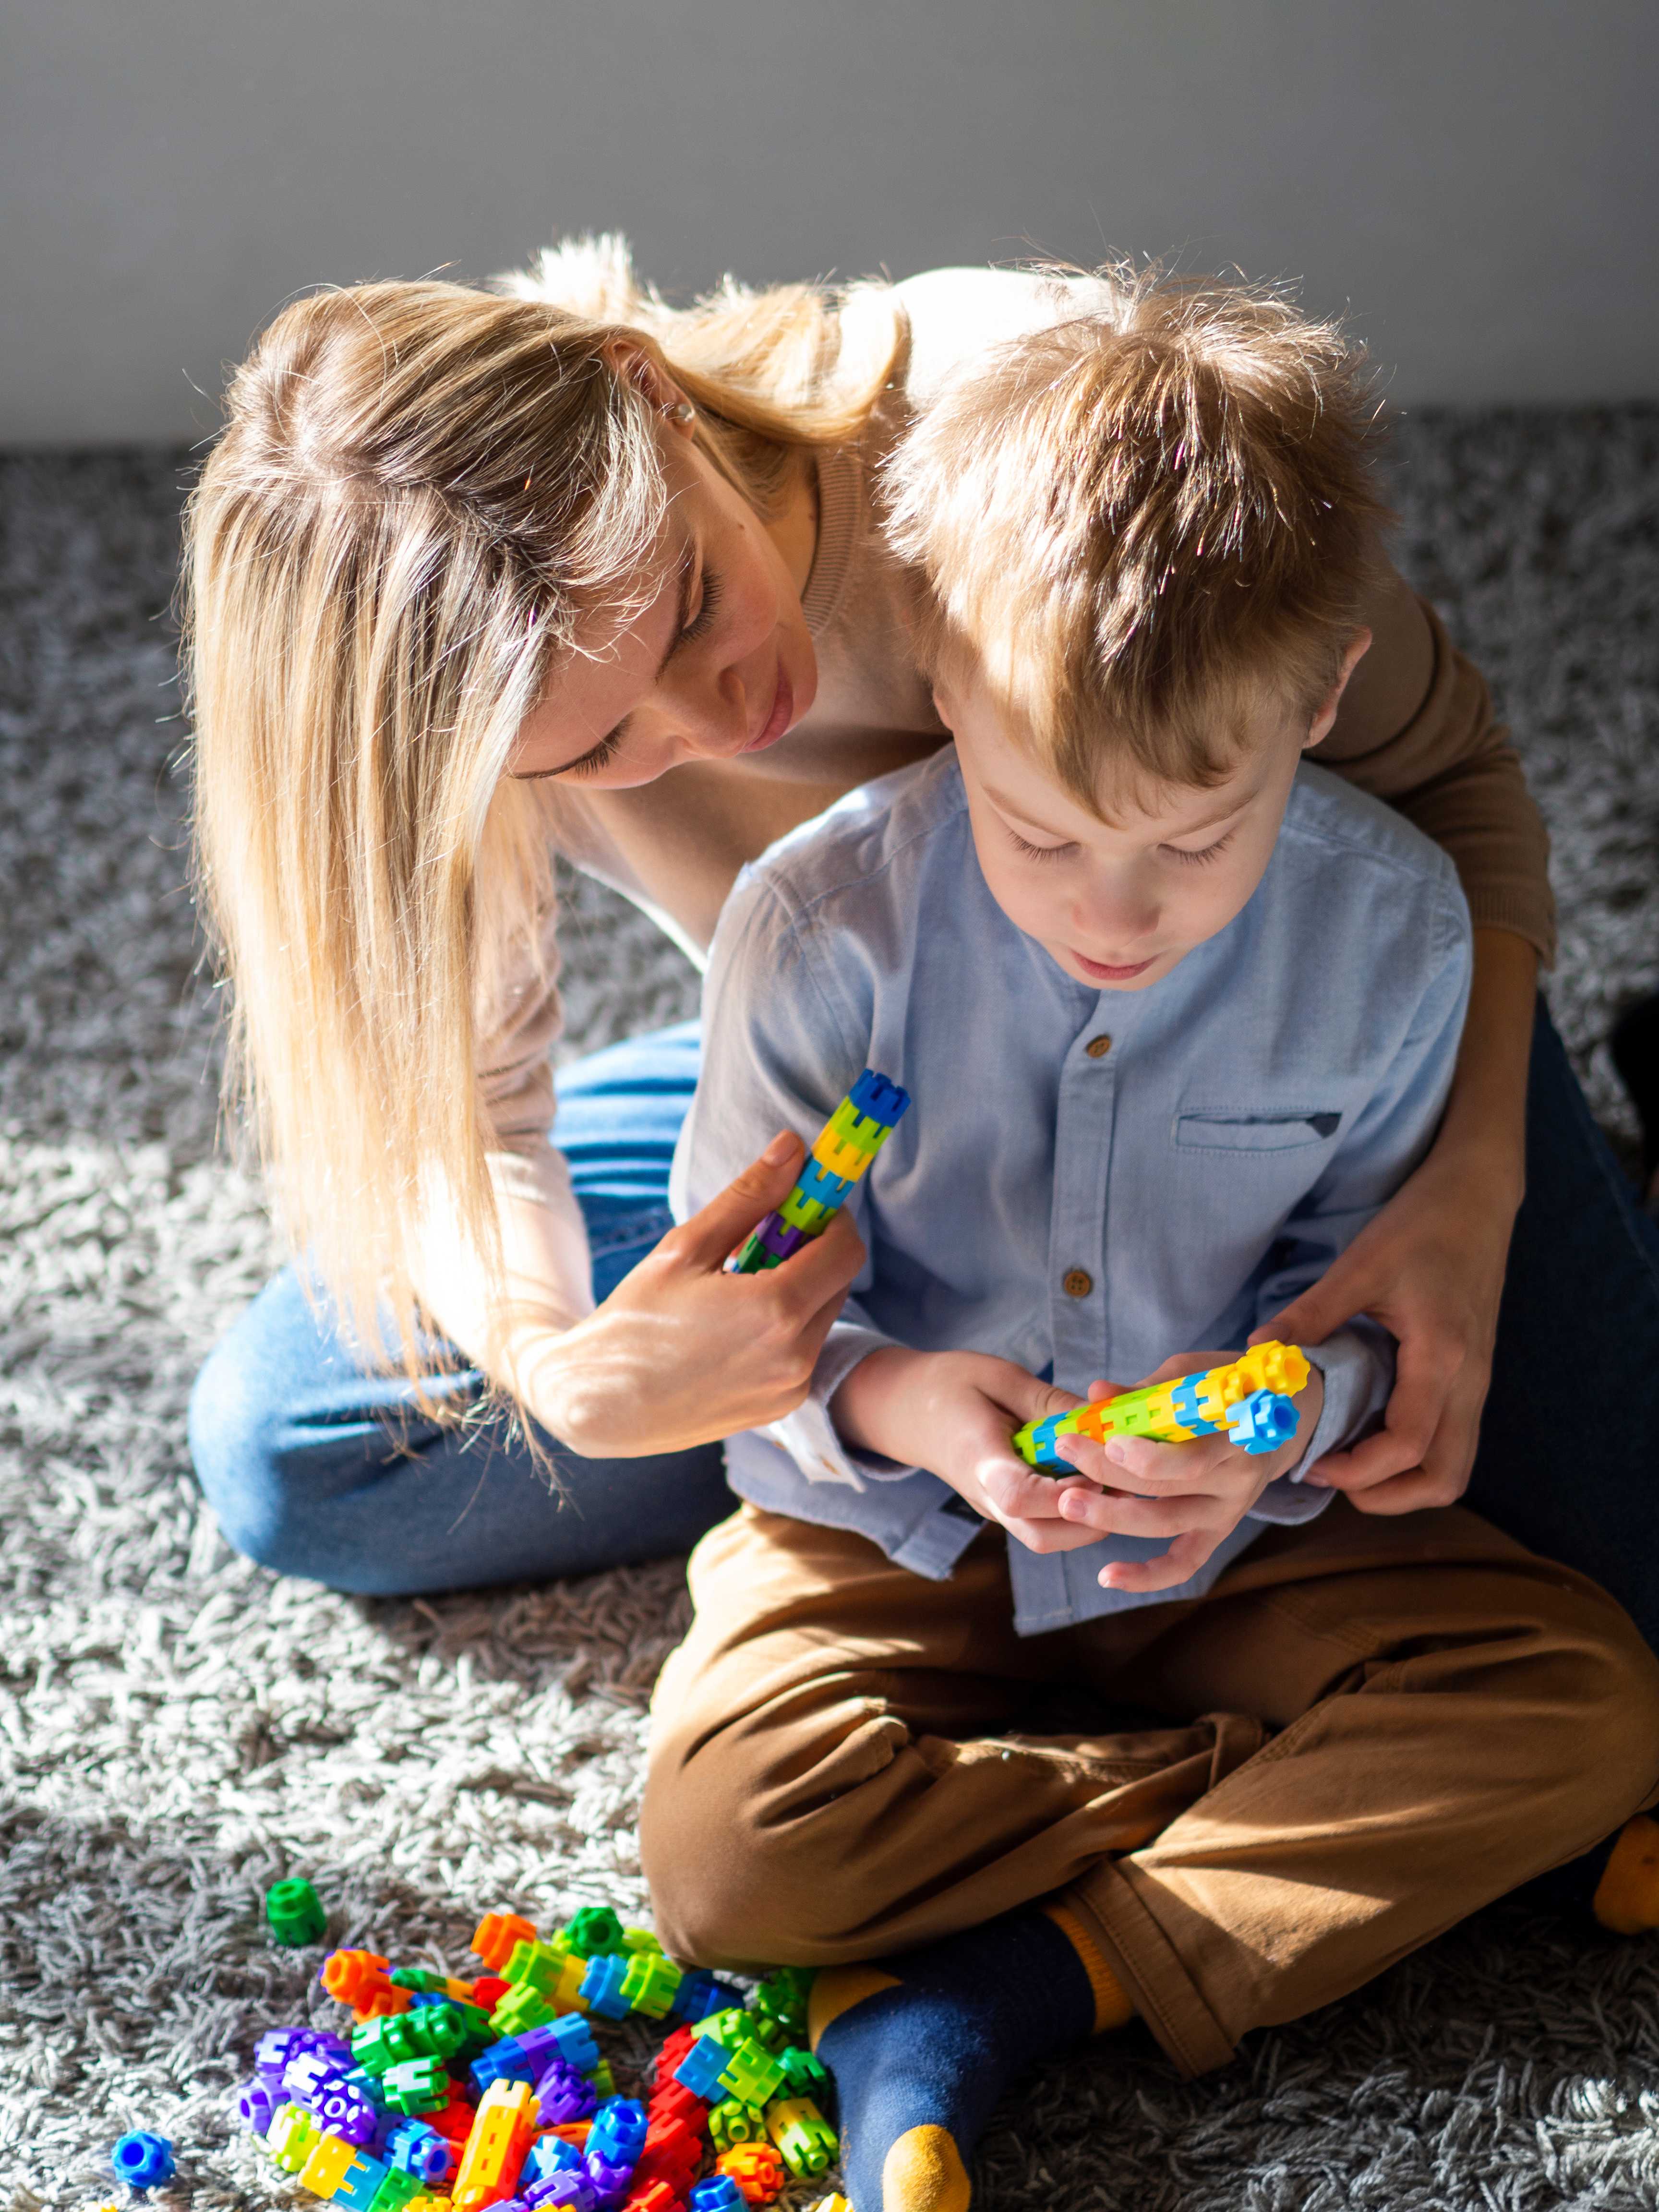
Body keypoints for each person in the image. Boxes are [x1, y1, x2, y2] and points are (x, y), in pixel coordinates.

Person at [183, 240, 1659, 1647]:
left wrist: (1477, 1179)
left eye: (693, 604)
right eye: (596, 747)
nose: (717, 722)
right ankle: (920, 1399)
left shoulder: (1034, 418)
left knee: (1602, 1549)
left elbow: (1458, 782)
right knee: (301, 1449)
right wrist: (570, 1372)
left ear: (649, 389)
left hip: (1290, 1071)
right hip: (873, 1078)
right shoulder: (460, 718)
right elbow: (479, 1119)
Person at [641, 290, 1659, 2212]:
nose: (1119, 915)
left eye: (1202, 843)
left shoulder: (1394, 936)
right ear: (942, 680)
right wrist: (908, 1403)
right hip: (900, 1534)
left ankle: (1013, 1986)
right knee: (730, 1855)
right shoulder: (820, 930)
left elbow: (1364, 1305)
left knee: (1588, 1699)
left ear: (1326, 696)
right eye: (1039, 837)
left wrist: (1287, 1423)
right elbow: (767, 1336)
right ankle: (1296, 1822)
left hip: (1241, 1549)